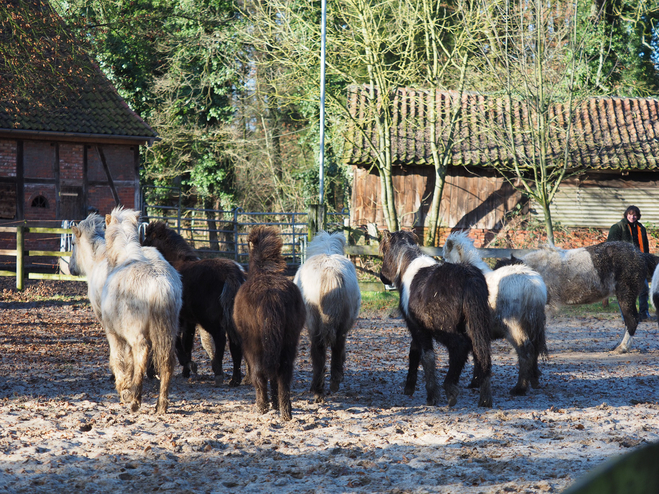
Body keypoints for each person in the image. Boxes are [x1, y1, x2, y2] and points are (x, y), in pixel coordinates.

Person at [607, 205, 652, 321]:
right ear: (626, 215)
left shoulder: (641, 228)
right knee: (625, 292)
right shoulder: (617, 227)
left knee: (644, 289)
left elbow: (645, 246)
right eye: (630, 214)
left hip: (639, 263)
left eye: (635, 215)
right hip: (623, 265)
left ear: (638, 216)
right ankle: (627, 317)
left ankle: (644, 314)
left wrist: (645, 259)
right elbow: (610, 247)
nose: (632, 217)